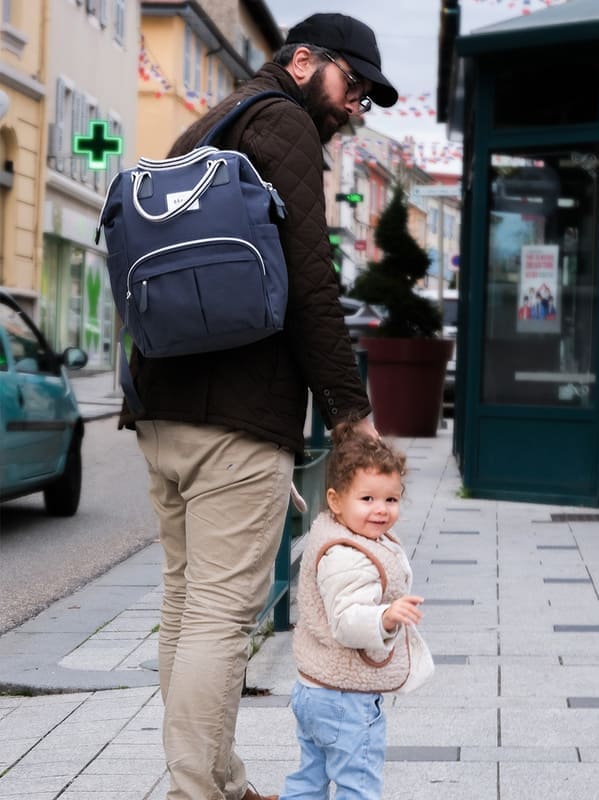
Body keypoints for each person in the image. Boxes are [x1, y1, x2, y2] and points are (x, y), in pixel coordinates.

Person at [120, 14, 398, 800]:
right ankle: (195, 792)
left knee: (185, 604)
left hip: (163, 404)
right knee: (218, 615)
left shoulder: (213, 121)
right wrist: (351, 411)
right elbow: (311, 283)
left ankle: (219, 778)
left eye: (369, 99)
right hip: (235, 417)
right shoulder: (284, 127)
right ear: (304, 61)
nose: (356, 107)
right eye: (353, 86)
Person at [267, 423, 429, 800]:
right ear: (336, 501)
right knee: (359, 785)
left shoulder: (335, 531)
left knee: (310, 779)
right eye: (368, 499)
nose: (381, 510)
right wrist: (384, 617)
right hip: (346, 699)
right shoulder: (349, 556)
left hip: (315, 689)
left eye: (391, 500)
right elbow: (347, 619)